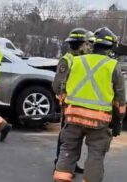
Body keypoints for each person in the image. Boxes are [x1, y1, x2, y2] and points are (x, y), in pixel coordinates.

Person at [53, 27, 126, 182]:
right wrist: (118, 120)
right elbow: (120, 100)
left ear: (93, 45)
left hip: (73, 117)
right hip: (99, 121)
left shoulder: (76, 61)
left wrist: (65, 108)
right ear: (111, 47)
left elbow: (62, 89)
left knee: (68, 150)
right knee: (95, 155)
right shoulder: (113, 66)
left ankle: (60, 179)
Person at [52, 28, 94, 174]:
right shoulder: (67, 60)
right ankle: (59, 163)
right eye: (86, 44)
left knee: (75, 137)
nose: (88, 47)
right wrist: (64, 99)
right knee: (65, 137)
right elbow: (57, 85)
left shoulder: (83, 60)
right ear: (81, 45)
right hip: (68, 105)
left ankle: (71, 163)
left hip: (77, 105)